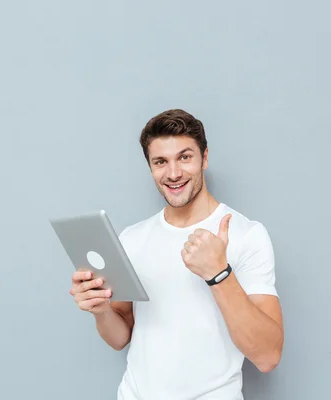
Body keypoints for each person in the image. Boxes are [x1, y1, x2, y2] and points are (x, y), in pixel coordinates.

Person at [69, 109, 284, 400]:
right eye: (161, 162)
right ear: (150, 168)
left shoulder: (246, 234)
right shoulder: (132, 238)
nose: (173, 173)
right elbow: (121, 337)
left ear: (204, 158)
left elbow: (268, 356)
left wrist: (218, 274)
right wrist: (100, 310)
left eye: (185, 157)